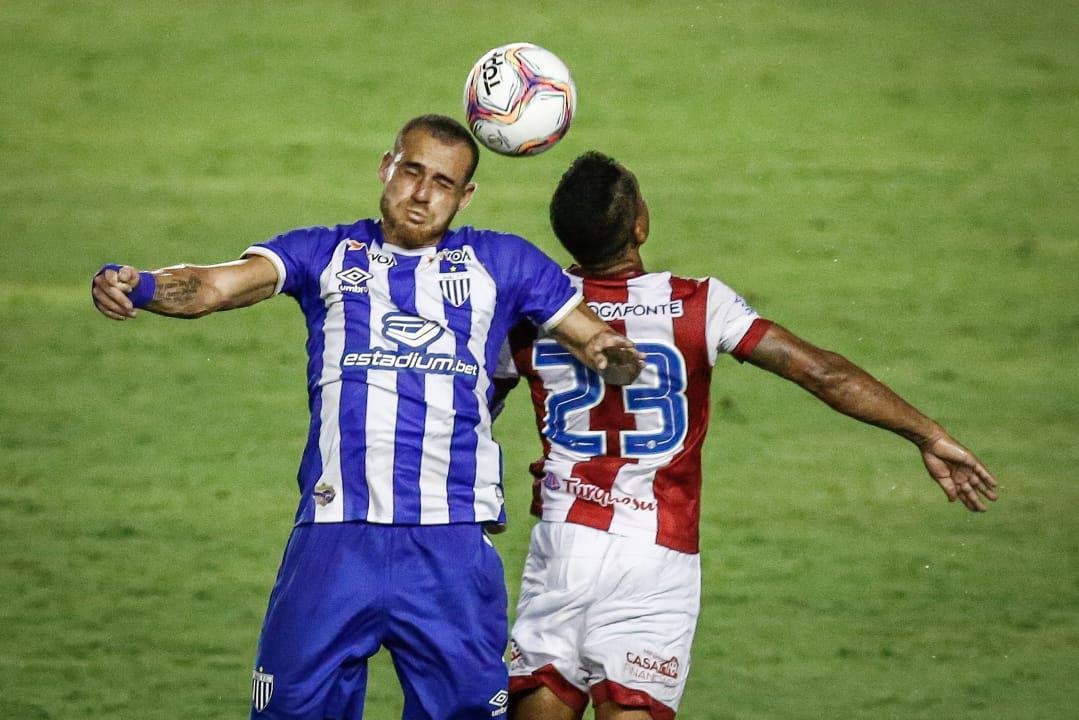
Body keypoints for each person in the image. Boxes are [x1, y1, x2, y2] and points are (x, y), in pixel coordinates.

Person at [90, 117, 644, 720]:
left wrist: (612, 356)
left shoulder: (505, 262)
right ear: (387, 167)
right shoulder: (324, 253)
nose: (423, 193)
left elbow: (592, 337)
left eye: (443, 182)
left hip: (450, 544)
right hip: (335, 538)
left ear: (465, 196)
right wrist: (139, 286)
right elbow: (216, 286)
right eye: (412, 171)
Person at [493, 151, 999, 720]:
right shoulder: (699, 305)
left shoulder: (534, 313)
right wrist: (925, 434)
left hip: (565, 545)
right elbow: (822, 373)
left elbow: (470, 405)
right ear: (639, 224)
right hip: (657, 560)